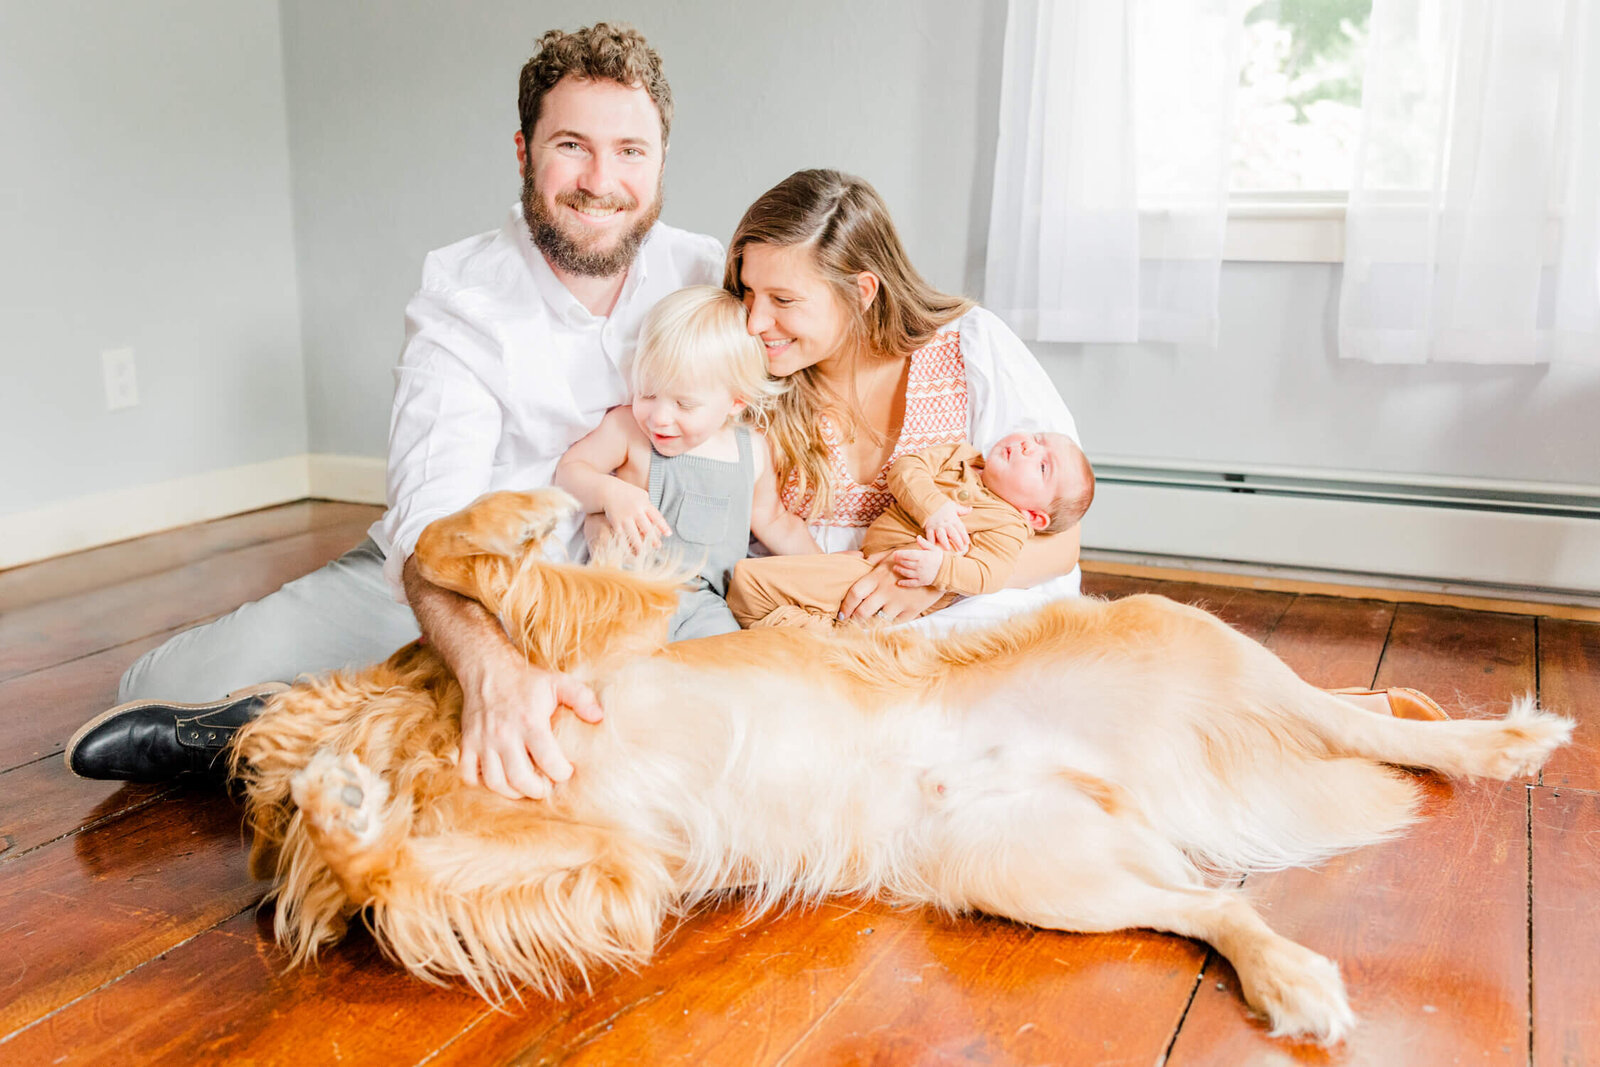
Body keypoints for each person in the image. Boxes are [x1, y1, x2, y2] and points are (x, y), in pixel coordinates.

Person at [65, 23, 728, 798]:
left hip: (632, 590)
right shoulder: (462, 295)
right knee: (162, 686)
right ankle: (324, 724)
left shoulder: (703, 270)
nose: (600, 179)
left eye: (630, 151)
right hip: (468, 588)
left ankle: (368, 725)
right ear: (524, 154)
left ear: (661, 160)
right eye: (572, 145)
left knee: (741, 722)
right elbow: (427, 527)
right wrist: (490, 671)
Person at [554, 285, 819, 640]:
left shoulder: (752, 450)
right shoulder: (629, 430)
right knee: (624, 661)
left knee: (729, 663)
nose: (660, 417)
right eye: (647, 393)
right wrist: (610, 493)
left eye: (684, 405)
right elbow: (569, 472)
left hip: (706, 605)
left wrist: (829, 568)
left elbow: (775, 522)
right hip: (630, 593)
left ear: (735, 402)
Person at [727, 430, 1094, 631]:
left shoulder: (1006, 524)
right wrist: (933, 509)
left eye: (1042, 466)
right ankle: (824, 639)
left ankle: (824, 641)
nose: (1029, 446)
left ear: (1034, 517)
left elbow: (989, 574)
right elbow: (905, 470)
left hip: (895, 580)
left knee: (747, 583)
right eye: (1038, 438)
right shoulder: (960, 456)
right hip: (865, 566)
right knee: (759, 594)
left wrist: (938, 571)